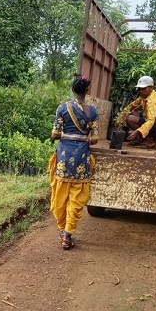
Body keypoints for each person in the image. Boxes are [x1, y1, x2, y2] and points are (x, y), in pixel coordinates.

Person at [49, 74, 99, 250]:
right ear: (87, 90)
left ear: (73, 89)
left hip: (63, 158)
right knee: (76, 199)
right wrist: (83, 138)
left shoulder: (62, 109)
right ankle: (68, 235)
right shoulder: (93, 111)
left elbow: (55, 134)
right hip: (82, 160)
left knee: (60, 198)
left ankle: (63, 231)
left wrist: (66, 135)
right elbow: (95, 139)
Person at [116, 75, 156, 149]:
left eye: (143, 89)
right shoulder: (144, 96)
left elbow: (150, 121)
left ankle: (149, 142)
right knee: (132, 113)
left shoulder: (153, 101)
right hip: (155, 123)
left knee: (130, 119)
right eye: (139, 89)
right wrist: (119, 120)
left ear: (151, 88)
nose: (141, 91)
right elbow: (131, 106)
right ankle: (142, 139)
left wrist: (137, 131)